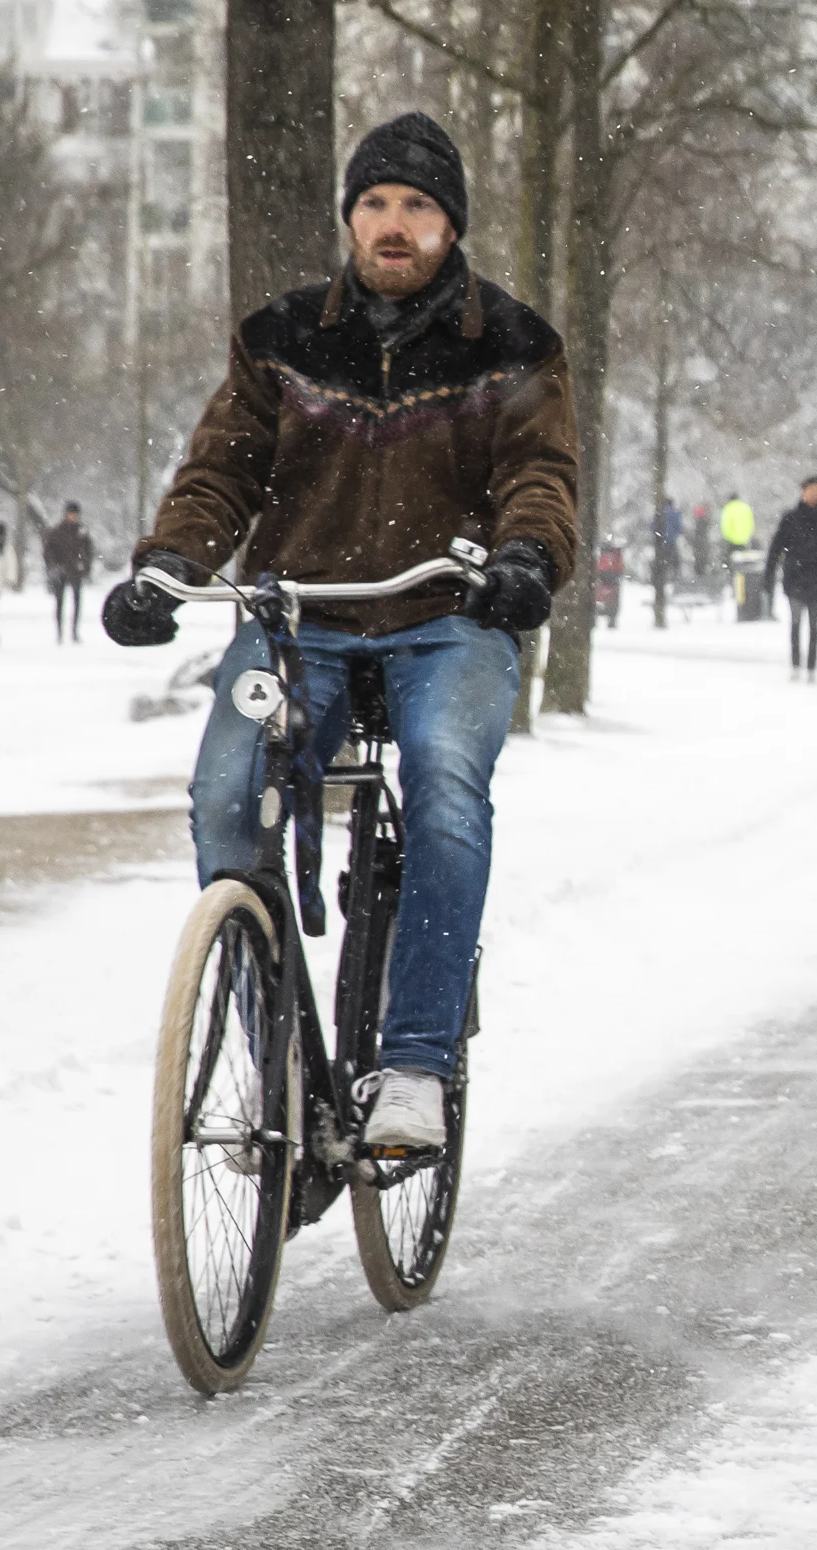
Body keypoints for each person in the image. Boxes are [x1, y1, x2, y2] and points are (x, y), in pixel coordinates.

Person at [99, 111, 575, 1167]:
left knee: (449, 785)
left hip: (447, 616)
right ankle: (267, 1037)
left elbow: (539, 474)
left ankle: (412, 1066)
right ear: (350, 218)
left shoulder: (514, 344)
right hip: (300, 618)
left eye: (416, 206)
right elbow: (223, 468)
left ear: (451, 224)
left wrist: (527, 558)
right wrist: (167, 567)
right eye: (375, 204)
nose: (392, 225)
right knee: (228, 793)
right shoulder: (281, 338)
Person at [766, 477, 817, 680]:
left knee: (814, 625)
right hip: (794, 577)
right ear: (803, 492)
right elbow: (776, 548)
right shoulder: (791, 519)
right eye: (811, 490)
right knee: (796, 623)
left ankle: (811, 666)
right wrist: (770, 574)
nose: (815, 494)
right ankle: (795, 663)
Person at [43, 502, 95, 642]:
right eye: (70, 514)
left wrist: (86, 567)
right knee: (60, 602)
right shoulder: (57, 531)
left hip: (76, 571)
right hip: (61, 570)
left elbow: (89, 551)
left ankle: (74, 631)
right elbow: (48, 551)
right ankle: (59, 632)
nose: (72, 517)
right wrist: (53, 566)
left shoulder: (82, 532)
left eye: (75, 514)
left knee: (77, 601)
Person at [720, 492, 760, 618]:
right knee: (745, 570)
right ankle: (743, 591)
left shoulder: (728, 508)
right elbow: (751, 524)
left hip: (732, 542)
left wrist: (729, 538)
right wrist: (746, 536)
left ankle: (736, 589)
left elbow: (725, 526)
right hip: (744, 542)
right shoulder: (745, 508)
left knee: (734, 569)